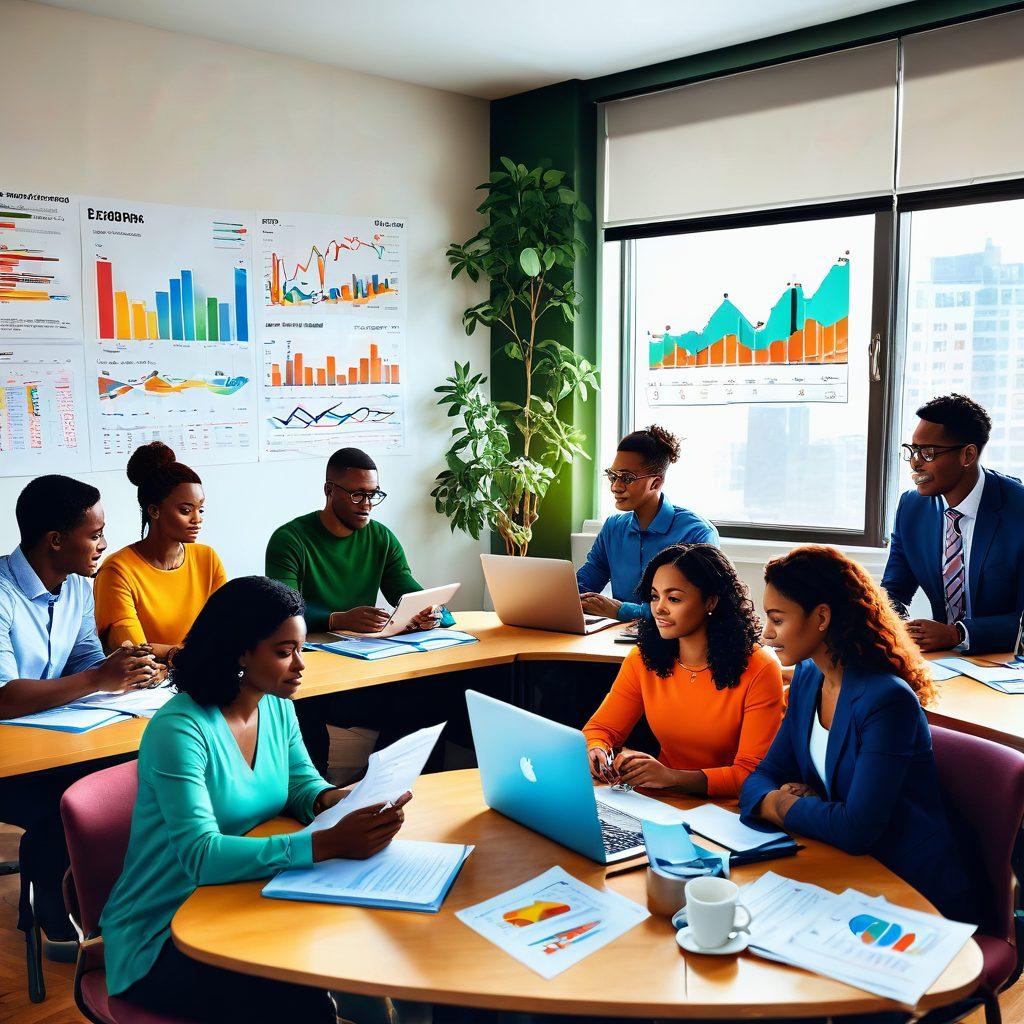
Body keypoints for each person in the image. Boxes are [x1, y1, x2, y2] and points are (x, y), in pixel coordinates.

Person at [103, 577, 410, 1023]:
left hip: (243, 898)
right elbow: (201, 856)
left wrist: (334, 799)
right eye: (285, 652)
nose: (300, 665)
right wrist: (327, 843)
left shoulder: (275, 702)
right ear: (241, 652)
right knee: (304, 994)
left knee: (356, 950)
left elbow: (300, 783)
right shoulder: (180, 729)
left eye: (301, 649)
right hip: (164, 934)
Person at [740, 545, 977, 923]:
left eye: (777, 619)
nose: (767, 633)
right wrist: (788, 800)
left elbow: (857, 829)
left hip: (909, 888)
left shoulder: (886, 700)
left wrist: (781, 805)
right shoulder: (808, 676)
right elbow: (760, 778)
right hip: (843, 866)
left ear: (821, 617)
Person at [0, 476, 156, 946]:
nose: (104, 545)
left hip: (50, 738)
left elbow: (84, 659)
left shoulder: (74, 588)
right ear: (55, 540)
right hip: (10, 759)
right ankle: (50, 903)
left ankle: (109, 895)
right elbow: (3, 697)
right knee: (65, 802)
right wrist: (96, 679)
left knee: (128, 777)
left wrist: (124, 672)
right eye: (95, 534)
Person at [266, 447, 455, 771]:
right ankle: (318, 800)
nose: (367, 505)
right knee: (307, 708)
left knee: (428, 696)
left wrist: (435, 614)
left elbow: (413, 593)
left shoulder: (380, 538)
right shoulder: (290, 539)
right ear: (329, 490)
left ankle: (383, 785)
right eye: (356, 495)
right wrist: (337, 618)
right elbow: (281, 611)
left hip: (364, 665)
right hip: (311, 666)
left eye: (373, 495)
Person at [583, 544, 783, 797]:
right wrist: (597, 750)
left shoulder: (759, 668)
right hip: (661, 798)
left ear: (710, 601)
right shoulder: (642, 660)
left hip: (729, 808)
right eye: (655, 596)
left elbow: (750, 774)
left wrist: (671, 777)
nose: (659, 608)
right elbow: (601, 729)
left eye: (674, 598)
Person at [883, 393, 1024, 655]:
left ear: (968, 455)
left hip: (1007, 661)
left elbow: (1023, 621)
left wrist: (956, 633)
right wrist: (898, 625)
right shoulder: (912, 508)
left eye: (928, 453)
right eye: (913, 450)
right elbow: (893, 590)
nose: (915, 462)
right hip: (944, 661)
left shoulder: (1018, 511)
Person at [94, 441, 227, 668]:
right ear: (154, 511)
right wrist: (198, 654)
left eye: (200, 509)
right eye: (186, 510)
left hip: (203, 674)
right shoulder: (118, 570)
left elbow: (229, 633)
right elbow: (134, 651)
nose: (198, 519)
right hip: (146, 685)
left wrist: (174, 654)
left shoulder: (208, 558)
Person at [577, 425, 719, 623]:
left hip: (673, 645)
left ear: (656, 483)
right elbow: (583, 586)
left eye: (627, 478)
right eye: (612, 476)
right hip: (613, 640)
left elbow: (694, 608)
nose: (615, 487)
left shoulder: (696, 533)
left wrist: (621, 611)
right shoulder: (613, 528)